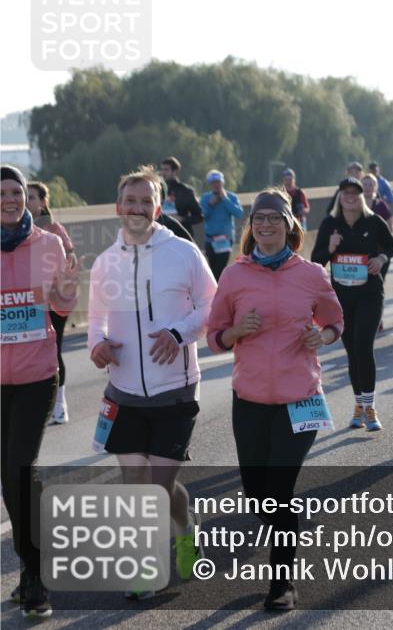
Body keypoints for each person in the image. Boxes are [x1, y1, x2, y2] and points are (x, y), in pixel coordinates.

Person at [207, 188, 344, 610]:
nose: (266, 225)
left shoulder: (312, 275)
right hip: (248, 399)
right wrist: (236, 332)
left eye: (275, 218)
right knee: (258, 496)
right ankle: (283, 529)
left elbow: (336, 320)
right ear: (251, 225)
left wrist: (320, 336)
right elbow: (214, 336)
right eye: (259, 218)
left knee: (280, 492)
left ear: (290, 225)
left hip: (299, 397)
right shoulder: (234, 275)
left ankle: (281, 582)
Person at [87, 165, 217, 599]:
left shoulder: (182, 253)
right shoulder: (106, 262)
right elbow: (96, 320)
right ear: (119, 207)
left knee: (159, 487)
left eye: (147, 201)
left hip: (175, 389)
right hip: (123, 390)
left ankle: (185, 529)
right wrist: (98, 346)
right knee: (135, 484)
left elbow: (211, 307)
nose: (138, 208)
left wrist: (179, 333)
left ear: (158, 209)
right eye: (131, 201)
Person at [2, 166, 79, 618]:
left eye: (17, 192)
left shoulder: (47, 243)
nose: (10, 199)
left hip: (36, 374)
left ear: (28, 197)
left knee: (18, 468)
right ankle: (33, 570)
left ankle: (37, 576)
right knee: (10, 480)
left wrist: (67, 290)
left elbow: (61, 306)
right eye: (2, 193)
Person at [311, 178, 393, 430]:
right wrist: (330, 247)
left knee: (363, 346)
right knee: (351, 350)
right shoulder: (330, 224)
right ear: (339, 197)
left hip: (370, 293)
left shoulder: (373, 221)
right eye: (345, 193)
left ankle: (370, 408)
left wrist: (380, 259)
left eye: (355, 193)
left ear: (361, 197)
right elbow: (317, 260)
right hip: (341, 297)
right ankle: (358, 404)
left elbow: (391, 246)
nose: (350, 197)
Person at [25, 181, 77, 425]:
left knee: (53, 349)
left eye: (31, 197)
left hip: (53, 300)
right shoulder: (13, 228)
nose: (26, 201)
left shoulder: (54, 229)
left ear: (43, 202)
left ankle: (59, 405)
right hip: (27, 300)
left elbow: (70, 260)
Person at [200, 170, 244, 281]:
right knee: (212, 270)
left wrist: (225, 199)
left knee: (221, 270)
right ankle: (215, 294)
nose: (216, 185)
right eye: (213, 182)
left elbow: (239, 213)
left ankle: (221, 293)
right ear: (210, 184)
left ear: (222, 182)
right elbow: (201, 216)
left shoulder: (231, 197)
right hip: (210, 240)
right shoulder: (205, 198)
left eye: (218, 182)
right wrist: (210, 204)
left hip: (225, 239)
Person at [159, 157, 203, 239]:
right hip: (161, 236)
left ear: (175, 171)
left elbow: (198, 217)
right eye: (162, 169)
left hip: (181, 235)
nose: (163, 173)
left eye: (166, 170)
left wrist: (182, 219)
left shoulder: (186, 191)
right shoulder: (157, 189)